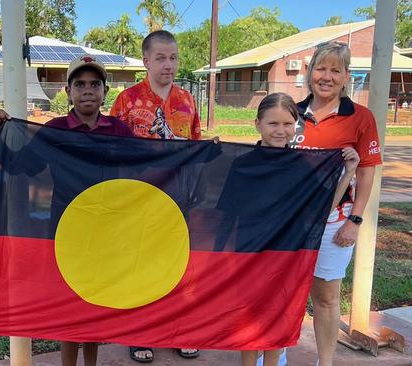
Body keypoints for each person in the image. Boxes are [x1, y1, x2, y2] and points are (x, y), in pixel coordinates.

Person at [0, 54, 134, 366]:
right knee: (71, 304)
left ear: (104, 92)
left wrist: (199, 153)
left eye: (95, 84)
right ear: (68, 91)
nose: (88, 90)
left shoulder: (119, 129)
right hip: (67, 230)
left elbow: (149, 160)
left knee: (94, 304)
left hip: (107, 230)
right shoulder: (55, 130)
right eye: (80, 84)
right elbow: (21, 165)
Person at [217, 92, 358, 366]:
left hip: (286, 256)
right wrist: (223, 258)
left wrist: (349, 172)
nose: (280, 131)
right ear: (257, 124)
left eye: (287, 124)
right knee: (248, 320)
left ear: (296, 125)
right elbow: (226, 215)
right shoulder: (242, 163)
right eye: (273, 124)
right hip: (250, 255)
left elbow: (322, 210)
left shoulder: (303, 165)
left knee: (277, 319)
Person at [109, 29, 201, 363]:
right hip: (137, 199)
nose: (168, 64)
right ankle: (139, 332)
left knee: (177, 266)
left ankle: (179, 329)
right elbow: (112, 151)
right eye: (160, 58)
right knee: (139, 266)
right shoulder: (126, 101)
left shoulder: (187, 101)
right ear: (146, 60)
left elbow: (194, 147)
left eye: (173, 57)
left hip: (178, 199)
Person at [292, 41, 382, 366]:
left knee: (326, 298)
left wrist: (354, 221)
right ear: (310, 72)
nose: (326, 76)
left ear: (346, 77)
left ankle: (325, 362)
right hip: (291, 221)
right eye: (321, 68)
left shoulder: (360, 117)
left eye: (335, 70)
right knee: (286, 294)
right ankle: (275, 358)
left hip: (334, 223)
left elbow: (368, 172)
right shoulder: (292, 113)